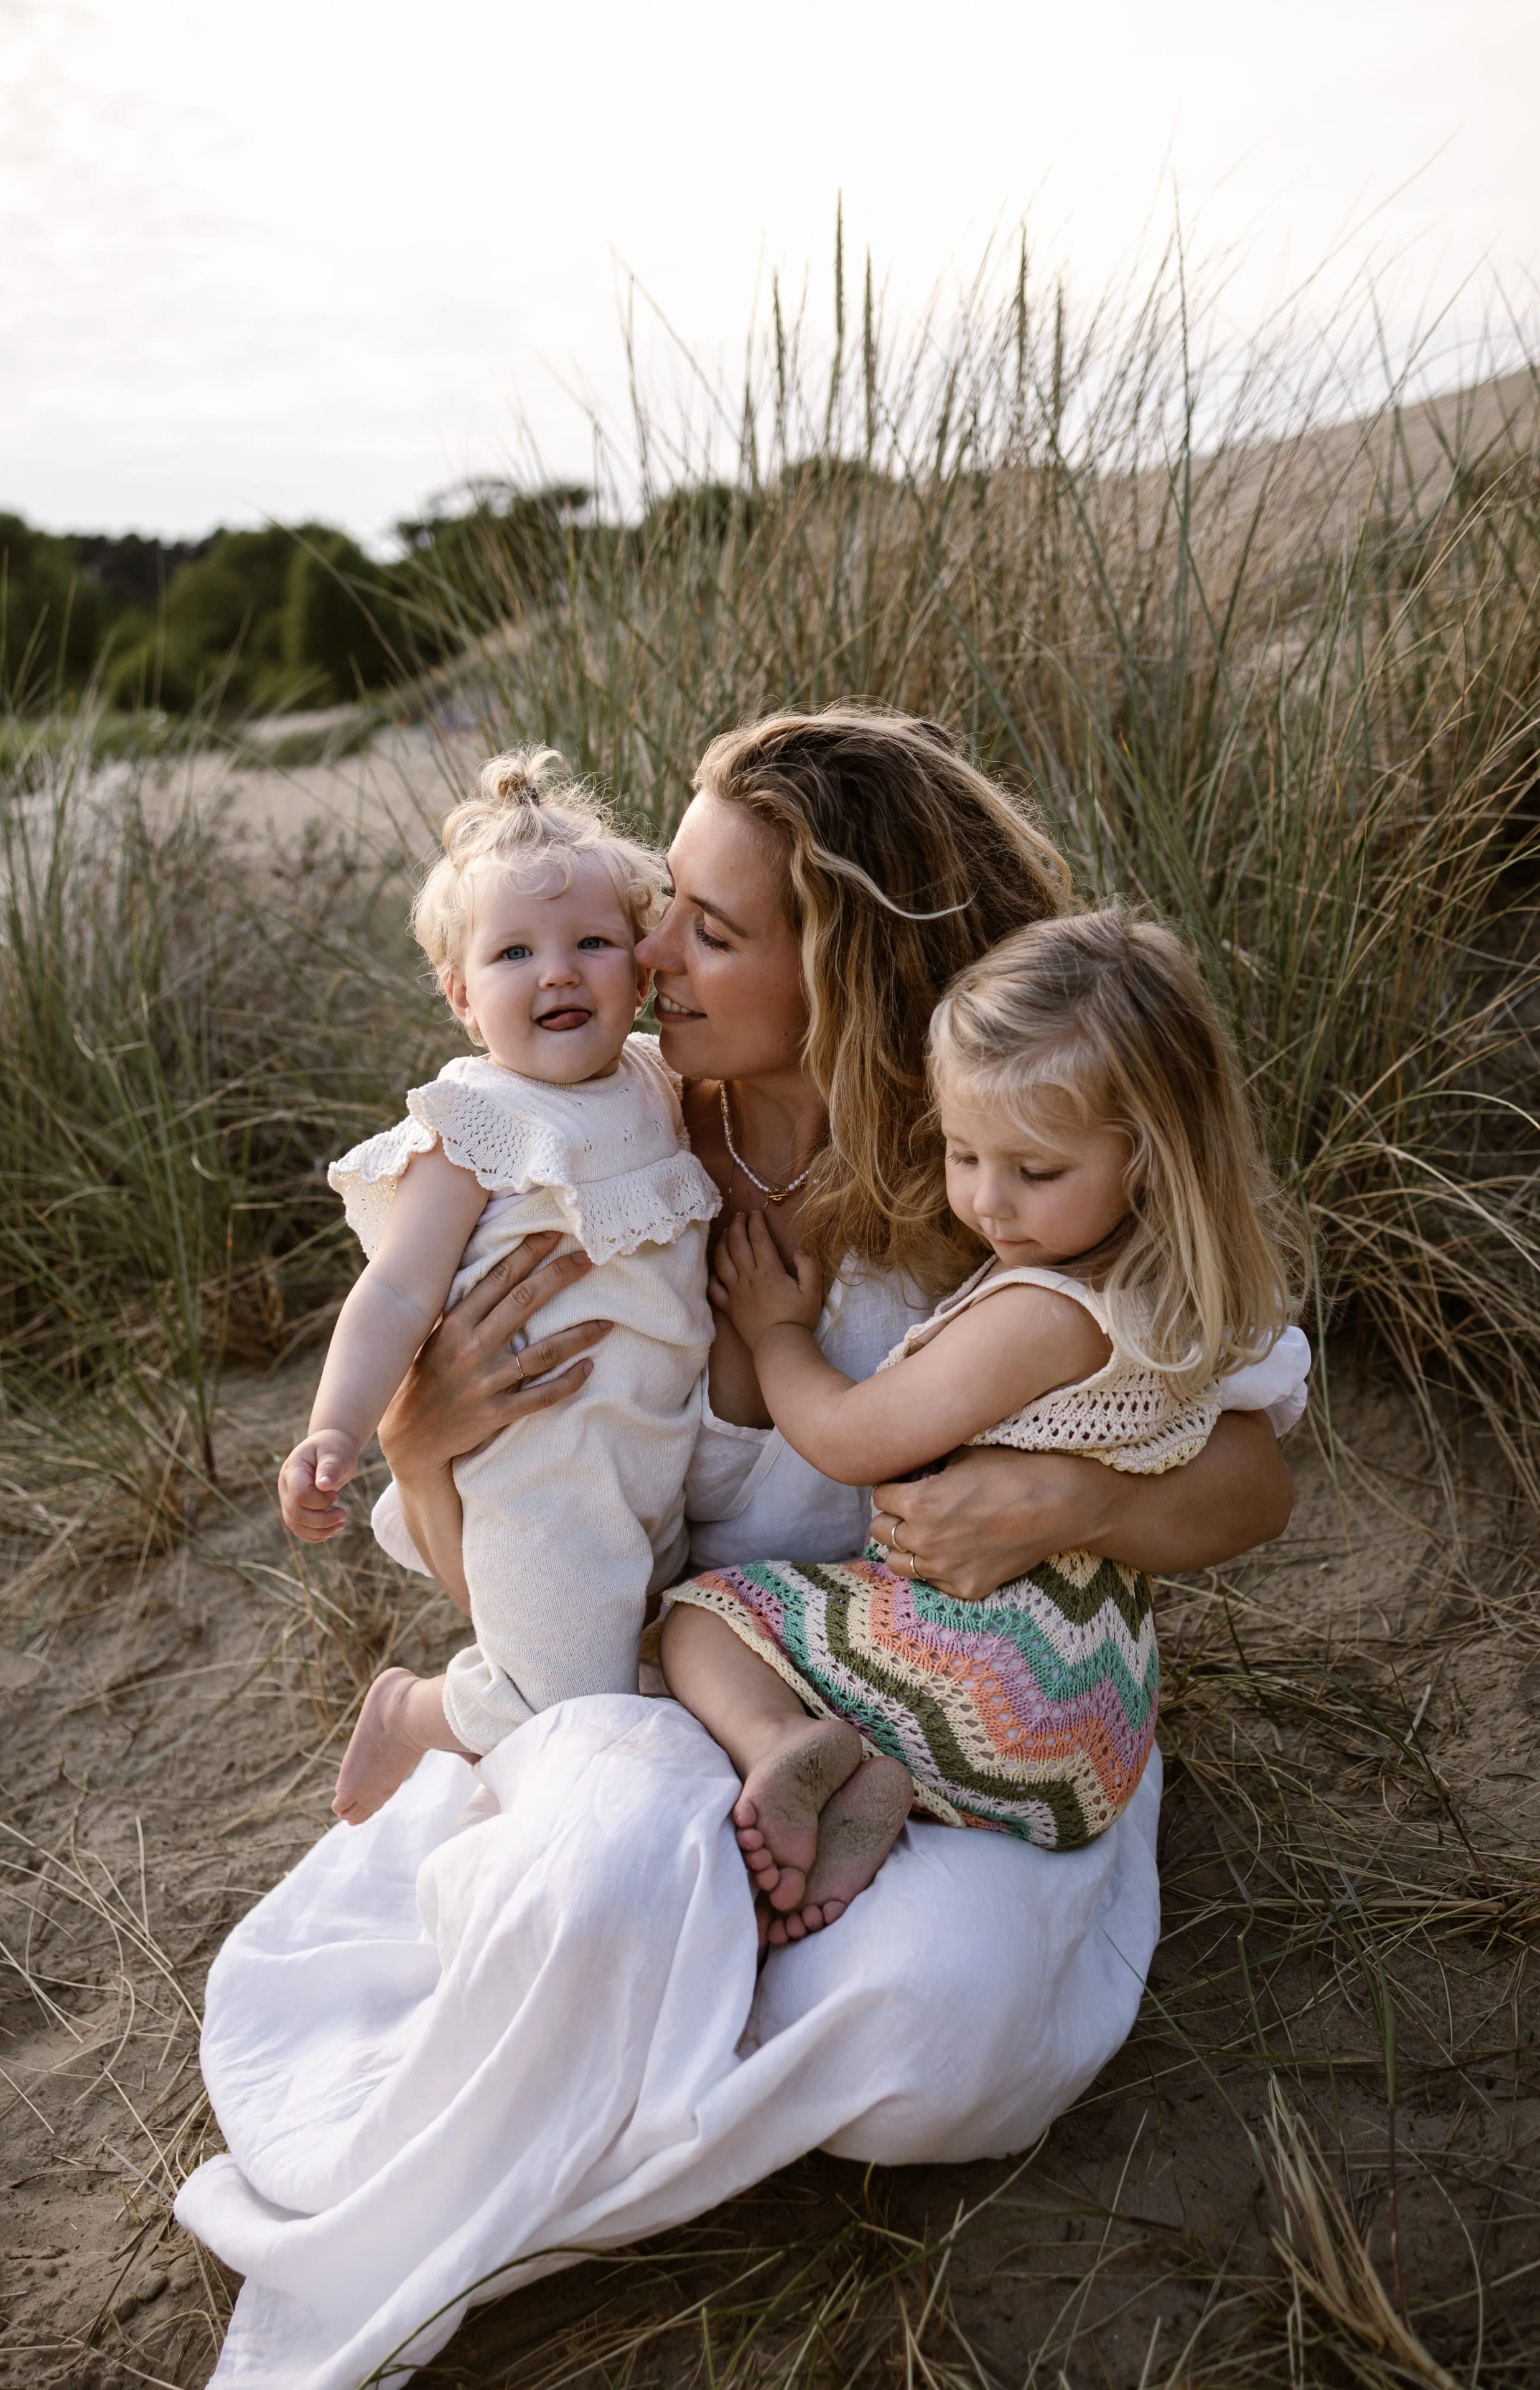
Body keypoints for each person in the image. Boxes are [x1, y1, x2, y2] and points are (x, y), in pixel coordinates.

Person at [175, 709, 1308, 2390]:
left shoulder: (1022, 1147)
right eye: (664, 910)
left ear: (844, 968)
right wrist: (423, 1438)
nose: (644, 951)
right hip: (652, 1686)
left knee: (957, 2029)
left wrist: (1087, 1506)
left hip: (940, 1711)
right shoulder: (590, 1130)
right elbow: (515, 1549)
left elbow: (1260, 1468)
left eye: (708, 928)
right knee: (622, 1863)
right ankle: (565, 2135)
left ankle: (632, 2068)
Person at [663, 908, 1305, 1939]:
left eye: (1035, 1172)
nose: (989, 1204)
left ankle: (784, 1741)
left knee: (701, 1620)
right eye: (963, 1155)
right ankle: (879, 1794)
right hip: (1102, 1723)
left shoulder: (1039, 1315)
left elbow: (852, 1439)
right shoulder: (1173, 1298)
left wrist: (778, 1333)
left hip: (994, 1666)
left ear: (1144, 1158)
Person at [276, 749, 717, 1822]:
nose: (558, 972)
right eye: (515, 953)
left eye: (593, 943)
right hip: (543, 1475)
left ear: (641, 966)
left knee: (661, 1668)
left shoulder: (660, 1080)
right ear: (464, 997)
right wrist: (335, 1425)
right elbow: (393, 1293)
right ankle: (416, 1713)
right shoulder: (472, 1123)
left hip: (663, 1456)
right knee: (561, 1698)